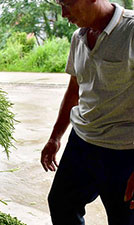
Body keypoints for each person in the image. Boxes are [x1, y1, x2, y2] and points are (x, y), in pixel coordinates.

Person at [40, 0, 134, 224]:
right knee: (61, 204)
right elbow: (74, 90)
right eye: (59, 4)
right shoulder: (78, 38)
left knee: (124, 219)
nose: (63, 14)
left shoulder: (130, 30)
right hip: (82, 142)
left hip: (123, 150)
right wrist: (55, 137)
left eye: (68, 4)